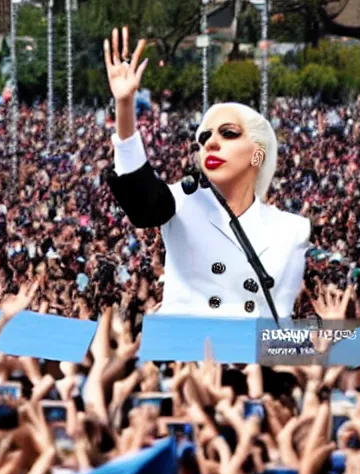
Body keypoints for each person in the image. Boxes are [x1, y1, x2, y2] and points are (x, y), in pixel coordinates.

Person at [103, 27, 310, 319]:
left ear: (258, 154)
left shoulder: (286, 230)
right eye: (204, 138)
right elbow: (141, 200)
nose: (211, 143)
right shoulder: (182, 199)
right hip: (185, 355)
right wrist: (125, 106)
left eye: (228, 134)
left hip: (243, 356)